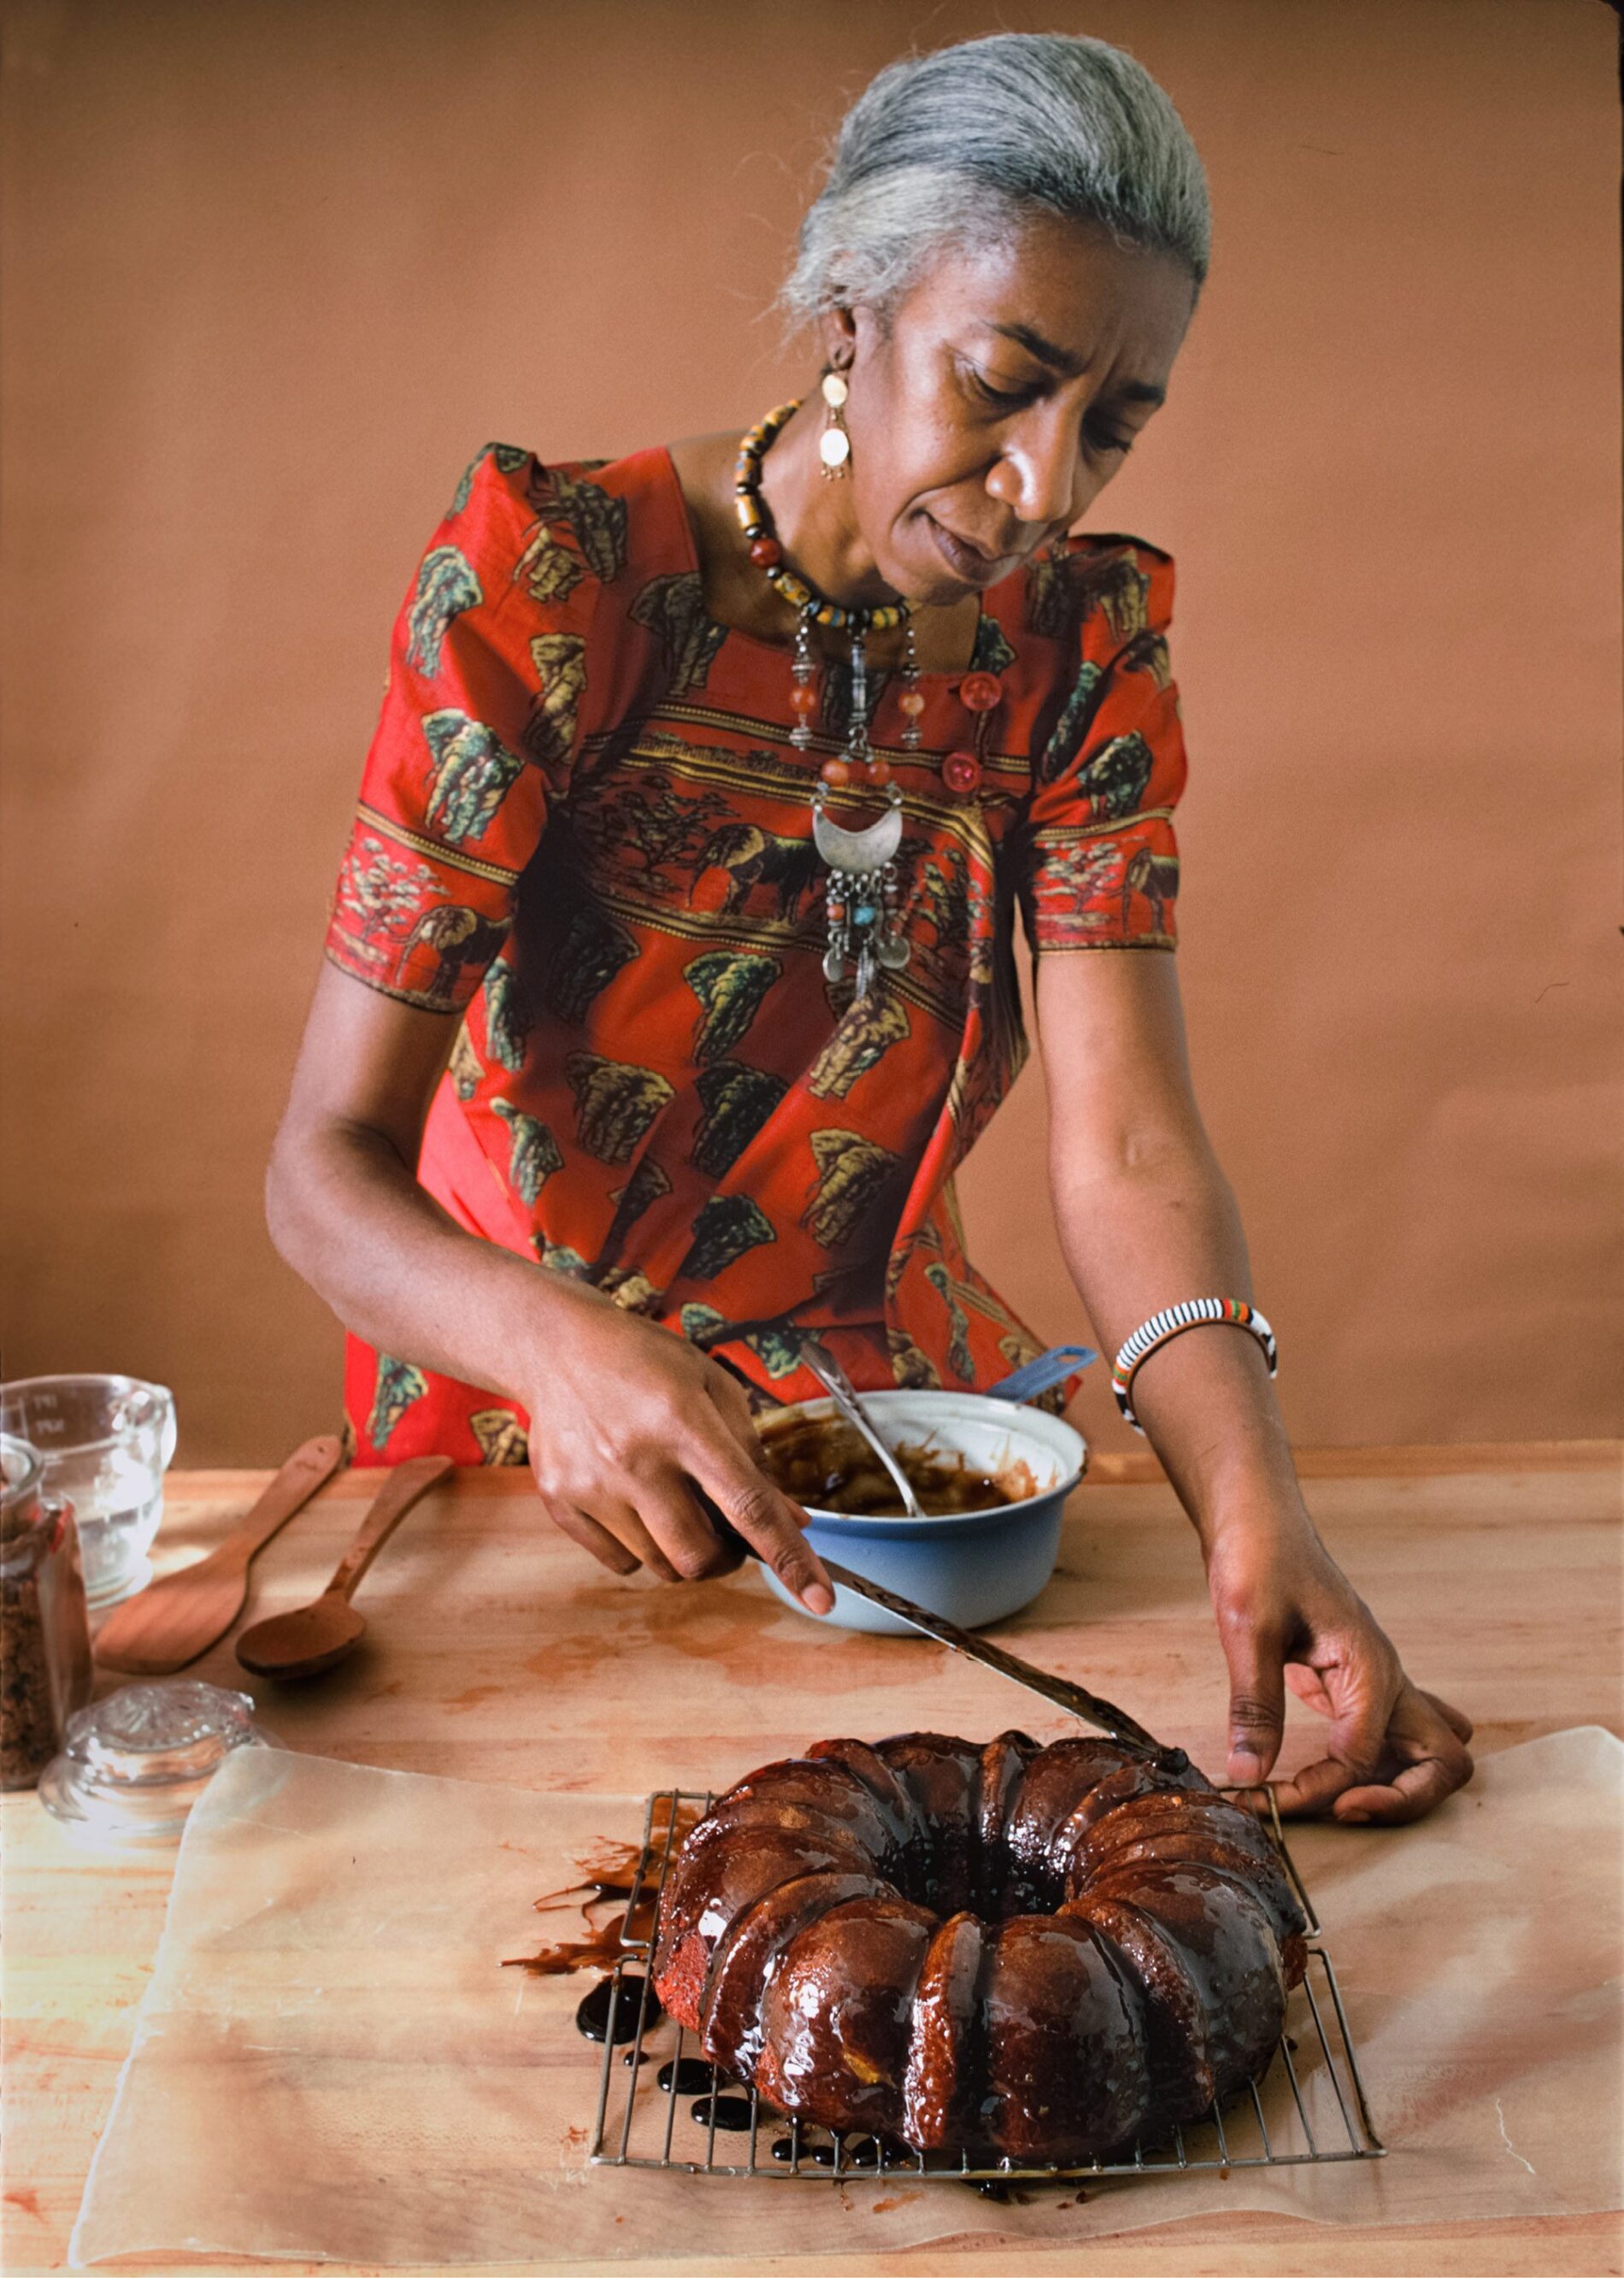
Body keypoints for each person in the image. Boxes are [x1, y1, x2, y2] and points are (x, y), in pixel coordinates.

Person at [268, 32, 1473, 1825]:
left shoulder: (1084, 656)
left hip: (885, 1445)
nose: (1048, 485)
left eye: (1115, 421)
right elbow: (322, 1166)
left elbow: (1127, 1138)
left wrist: (1252, 1514)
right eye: (1001, 383)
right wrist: (551, 1351)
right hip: (538, 1444)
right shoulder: (555, 578)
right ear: (850, 306)